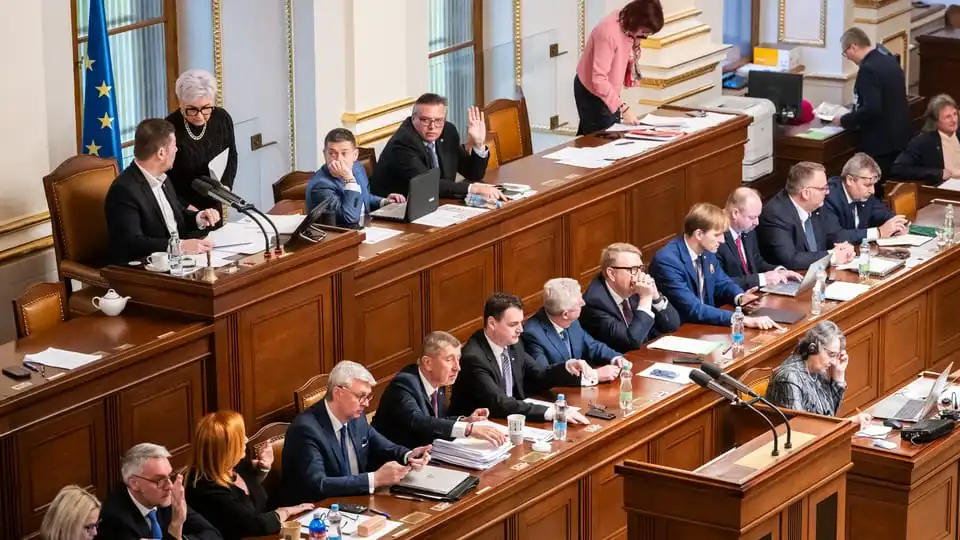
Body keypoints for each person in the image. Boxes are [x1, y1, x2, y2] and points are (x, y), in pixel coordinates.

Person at [280, 361, 431, 505]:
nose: (366, 403)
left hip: (357, 503)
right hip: (316, 512)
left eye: (368, 397)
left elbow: (382, 445)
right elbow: (318, 484)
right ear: (338, 393)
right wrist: (374, 479)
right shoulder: (305, 429)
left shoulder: (356, 418)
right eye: (361, 396)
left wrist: (409, 455)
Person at [450, 293, 595, 423]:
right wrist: (551, 412)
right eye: (513, 324)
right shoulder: (473, 357)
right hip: (478, 428)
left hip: (510, 420)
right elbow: (499, 402)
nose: (521, 329)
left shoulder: (513, 344)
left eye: (521, 322)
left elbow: (539, 374)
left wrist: (566, 367)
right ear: (492, 323)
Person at [183, 411, 314, 540]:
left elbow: (257, 499)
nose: (246, 439)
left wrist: (262, 468)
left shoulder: (237, 465)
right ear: (226, 449)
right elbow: (252, 524)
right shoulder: (205, 488)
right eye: (240, 437)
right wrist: (286, 511)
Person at [104, 118, 220, 263]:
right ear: (161, 153)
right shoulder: (123, 190)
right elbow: (132, 242)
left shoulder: (163, 178)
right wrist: (181, 246)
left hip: (179, 261)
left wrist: (199, 217)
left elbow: (175, 218)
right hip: (146, 269)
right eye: (174, 145)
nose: (177, 149)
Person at [372, 331, 509, 449]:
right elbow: (419, 421)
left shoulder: (438, 383)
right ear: (428, 363)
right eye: (449, 360)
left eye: (458, 359)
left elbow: (438, 420)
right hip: (393, 465)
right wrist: (468, 429)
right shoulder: (403, 385)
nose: (457, 367)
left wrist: (465, 421)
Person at [650, 203, 778, 329]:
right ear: (699, 234)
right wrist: (741, 319)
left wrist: (740, 298)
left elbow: (722, 282)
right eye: (717, 235)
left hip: (706, 325)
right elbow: (693, 308)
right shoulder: (667, 261)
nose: (722, 240)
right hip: (680, 331)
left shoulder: (707, 251)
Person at [371, 93, 504, 201]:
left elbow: (473, 174)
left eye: (438, 120)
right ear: (413, 118)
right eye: (425, 120)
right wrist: (474, 189)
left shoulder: (448, 131)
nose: (432, 126)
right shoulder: (403, 143)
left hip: (435, 202)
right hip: (397, 208)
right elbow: (428, 185)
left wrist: (478, 144)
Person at [836, 27, 911, 196]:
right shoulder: (889, 60)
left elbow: (871, 109)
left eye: (845, 52)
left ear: (853, 47)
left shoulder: (868, 69)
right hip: (899, 137)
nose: (847, 57)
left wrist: (844, 120)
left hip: (880, 142)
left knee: (874, 191)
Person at [574, 0, 664, 134]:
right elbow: (598, 79)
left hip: (607, 90)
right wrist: (623, 108)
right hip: (593, 93)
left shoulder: (627, 24)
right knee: (602, 141)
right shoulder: (607, 33)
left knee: (595, 137)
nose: (644, 36)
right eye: (644, 32)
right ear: (636, 20)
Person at [96, 443, 221, 540]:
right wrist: (176, 526)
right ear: (134, 483)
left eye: (170, 476)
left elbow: (214, 535)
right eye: (159, 480)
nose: (169, 486)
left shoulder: (166, 497)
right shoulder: (115, 519)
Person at [579, 243, 681, 352]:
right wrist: (646, 299)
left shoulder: (635, 288)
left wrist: (655, 296)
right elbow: (630, 342)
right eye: (634, 269)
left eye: (641, 269)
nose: (640, 275)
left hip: (645, 356)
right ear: (612, 274)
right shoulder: (594, 303)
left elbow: (672, 325)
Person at [757, 162, 856, 270]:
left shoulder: (816, 205)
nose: (827, 192)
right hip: (789, 279)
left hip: (817, 275)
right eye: (823, 188)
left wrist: (844, 248)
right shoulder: (776, 215)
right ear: (805, 193)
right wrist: (831, 256)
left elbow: (834, 234)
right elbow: (790, 259)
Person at [165, 69, 238, 210]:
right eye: (192, 109)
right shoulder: (169, 128)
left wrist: (226, 188)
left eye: (206, 108)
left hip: (214, 201)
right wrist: (186, 207)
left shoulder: (221, 119)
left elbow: (232, 155)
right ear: (181, 103)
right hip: (182, 207)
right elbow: (163, 179)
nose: (199, 116)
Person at [523, 278, 629, 373]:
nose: (584, 303)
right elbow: (544, 373)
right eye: (579, 303)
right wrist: (594, 375)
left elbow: (592, 346)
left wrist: (616, 358)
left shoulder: (572, 322)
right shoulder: (533, 334)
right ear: (565, 314)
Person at [305, 128, 405, 227]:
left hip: (365, 228)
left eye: (344, 153)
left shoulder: (357, 168)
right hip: (342, 237)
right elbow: (349, 218)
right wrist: (349, 179)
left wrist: (384, 202)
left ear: (355, 155)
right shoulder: (320, 186)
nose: (339, 159)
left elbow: (363, 198)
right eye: (332, 153)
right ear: (324, 154)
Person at [718, 187, 802, 290]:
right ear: (735, 213)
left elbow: (756, 262)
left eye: (758, 216)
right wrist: (762, 279)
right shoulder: (716, 236)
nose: (757, 223)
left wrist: (779, 271)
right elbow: (720, 283)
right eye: (752, 217)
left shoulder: (747, 229)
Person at [765, 321, 850, 416]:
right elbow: (799, 426)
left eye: (836, 355)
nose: (834, 362)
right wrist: (849, 421)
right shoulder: (789, 378)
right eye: (831, 354)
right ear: (812, 348)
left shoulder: (818, 371)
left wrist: (838, 375)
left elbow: (830, 415)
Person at [822, 153, 908, 244]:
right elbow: (836, 236)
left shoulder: (865, 195)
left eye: (873, 185)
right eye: (867, 185)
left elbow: (881, 212)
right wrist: (878, 232)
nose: (872, 191)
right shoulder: (829, 197)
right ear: (850, 180)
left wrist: (897, 225)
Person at [892, 93, 960, 185]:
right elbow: (899, 168)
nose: (954, 120)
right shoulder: (924, 141)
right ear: (936, 121)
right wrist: (937, 173)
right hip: (945, 189)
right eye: (948, 117)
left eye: (955, 114)